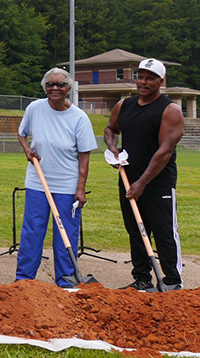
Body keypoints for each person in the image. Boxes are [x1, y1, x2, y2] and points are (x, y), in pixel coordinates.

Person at [104, 58, 184, 291]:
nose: (143, 82)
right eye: (140, 76)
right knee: (136, 230)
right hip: (129, 178)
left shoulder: (170, 110)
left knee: (164, 231)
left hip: (157, 182)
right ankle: (142, 279)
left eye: (150, 78)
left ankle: (172, 281)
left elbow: (164, 151)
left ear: (161, 81)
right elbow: (110, 129)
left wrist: (142, 183)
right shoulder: (124, 105)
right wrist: (113, 148)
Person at [14, 68, 97, 287]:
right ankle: (24, 280)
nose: (54, 88)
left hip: (66, 184)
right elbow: (22, 133)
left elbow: (84, 157)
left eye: (60, 85)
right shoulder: (35, 108)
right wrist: (27, 150)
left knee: (66, 235)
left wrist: (80, 189)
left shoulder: (79, 118)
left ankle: (66, 280)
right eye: (50, 84)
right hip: (37, 181)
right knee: (32, 231)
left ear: (68, 89)